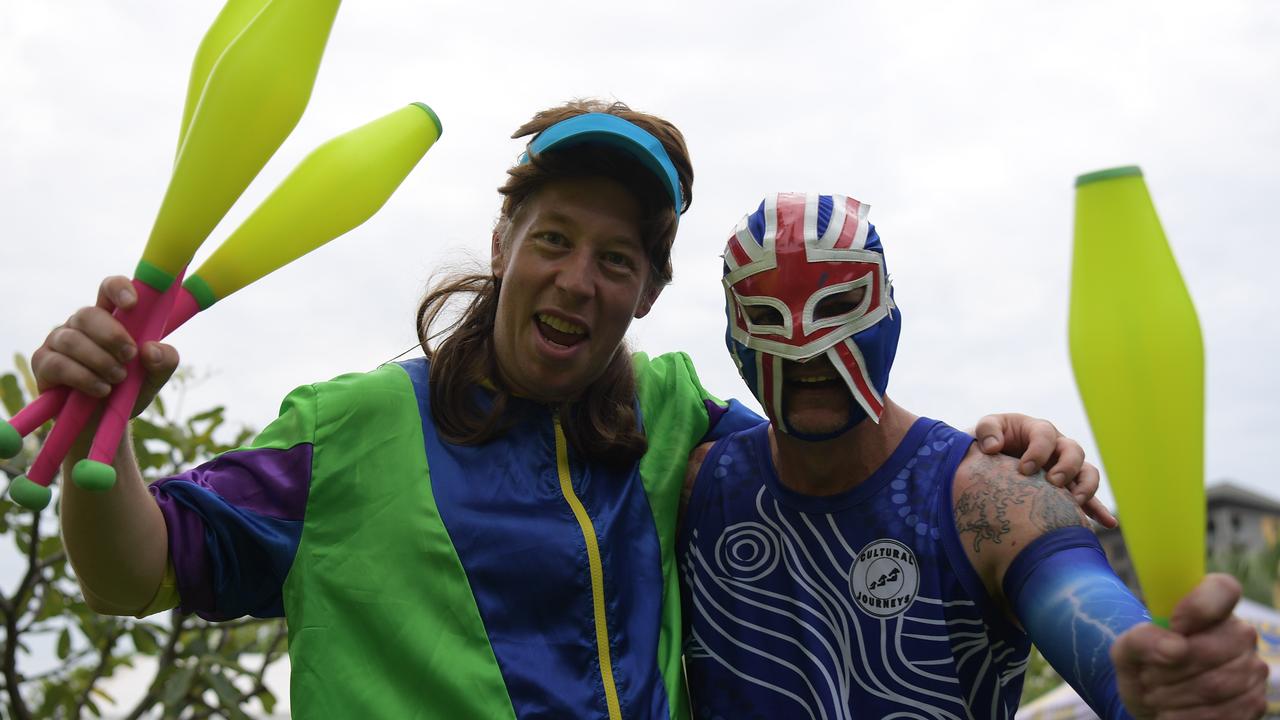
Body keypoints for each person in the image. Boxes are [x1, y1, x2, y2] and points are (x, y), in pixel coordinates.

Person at [33, 103, 1100, 718]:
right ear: (503, 248)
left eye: (616, 259)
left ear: (647, 291)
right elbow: (131, 570)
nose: (577, 280)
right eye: (552, 240)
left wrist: (998, 461)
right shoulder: (350, 424)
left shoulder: (676, 413)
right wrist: (105, 434)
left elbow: (837, 451)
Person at [678, 192, 1269, 719]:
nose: (806, 349)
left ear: (887, 310)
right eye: (767, 318)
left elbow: (1093, 617)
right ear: (733, 328)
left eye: (837, 307)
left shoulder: (989, 495)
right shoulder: (693, 482)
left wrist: (1162, 679)